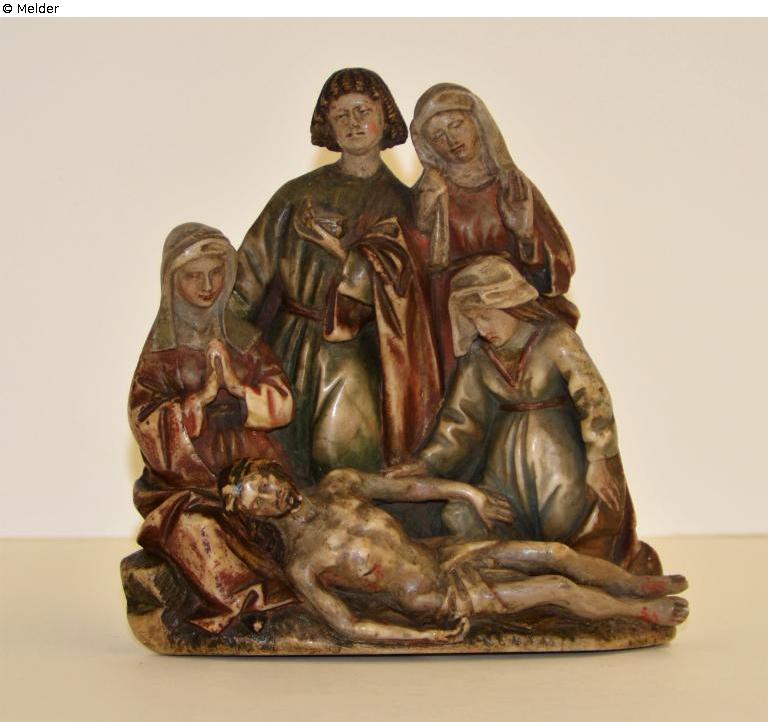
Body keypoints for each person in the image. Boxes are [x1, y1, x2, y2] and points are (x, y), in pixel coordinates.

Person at [231, 68, 441, 489]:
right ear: (327, 125)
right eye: (340, 115)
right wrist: (222, 334)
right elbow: (249, 272)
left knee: (345, 457)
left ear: (385, 117)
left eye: (362, 111)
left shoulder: (403, 204)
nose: (352, 123)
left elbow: (413, 293)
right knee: (280, 457)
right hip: (289, 344)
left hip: (357, 354)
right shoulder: (296, 195)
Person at [219, 459, 689, 645]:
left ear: (273, 472)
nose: (270, 496)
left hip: (445, 554)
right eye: (256, 502)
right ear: (256, 517)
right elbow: (349, 625)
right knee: (555, 589)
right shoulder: (304, 563)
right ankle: (641, 612)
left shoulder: (339, 485)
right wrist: (423, 637)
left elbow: (411, 489)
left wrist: (469, 493)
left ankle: (634, 583)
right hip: (437, 598)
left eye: (264, 484)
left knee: (554, 552)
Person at [388, 256, 661, 575]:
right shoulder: (478, 357)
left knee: (562, 519)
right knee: (461, 516)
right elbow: (460, 421)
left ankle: (566, 574)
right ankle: (514, 573)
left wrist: (600, 460)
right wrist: (427, 463)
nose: (482, 329)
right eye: (474, 320)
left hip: (559, 458)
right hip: (504, 471)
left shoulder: (555, 340)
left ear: (511, 305)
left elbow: (593, 399)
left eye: (487, 317)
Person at [128, 222, 296, 633]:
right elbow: (143, 416)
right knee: (196, 530)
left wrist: (239, 392)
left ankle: (301, 589)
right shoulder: (161, 352)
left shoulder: (244, 340)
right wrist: (197, 402)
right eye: (193, 276)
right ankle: (247, 603)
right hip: (188, 481)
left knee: (289, 522)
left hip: (254, 468)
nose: (207, 286)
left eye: (216, 273)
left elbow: (283, 400)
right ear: (172, 281)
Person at [410, 83, 578, 383]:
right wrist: (424, 219)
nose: (451, 140)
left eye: (456, 125)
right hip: (452, 325)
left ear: (476, 122)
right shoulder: (430, 195)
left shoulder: (511, 186)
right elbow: (412, 273)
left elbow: (556, 277)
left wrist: (525, 235)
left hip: (511, 319)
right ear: (429, 147)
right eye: (438, 136)